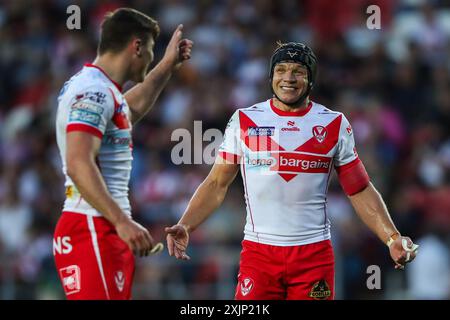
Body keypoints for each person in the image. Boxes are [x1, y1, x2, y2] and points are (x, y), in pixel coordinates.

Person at [165, 42, 418, 300]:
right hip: (259, 253)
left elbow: (359, 188)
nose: (288, 78)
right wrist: (187, 224)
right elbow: (217, 183)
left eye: (298, 71)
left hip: (313, 256)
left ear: (311, 78)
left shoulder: (333, 123)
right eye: (281, 70)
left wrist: (391, 237)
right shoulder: (245, 120)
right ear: (271, 76)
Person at [53, 8, 193, 300]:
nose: (151, 57)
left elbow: (129, 111)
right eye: (152, 50)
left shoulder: (99, 90)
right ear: (136, 46)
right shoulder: (93, 91)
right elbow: (79, 163)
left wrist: (167, 65)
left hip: (96, 224)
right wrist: (121, 221)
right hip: (92, 225)